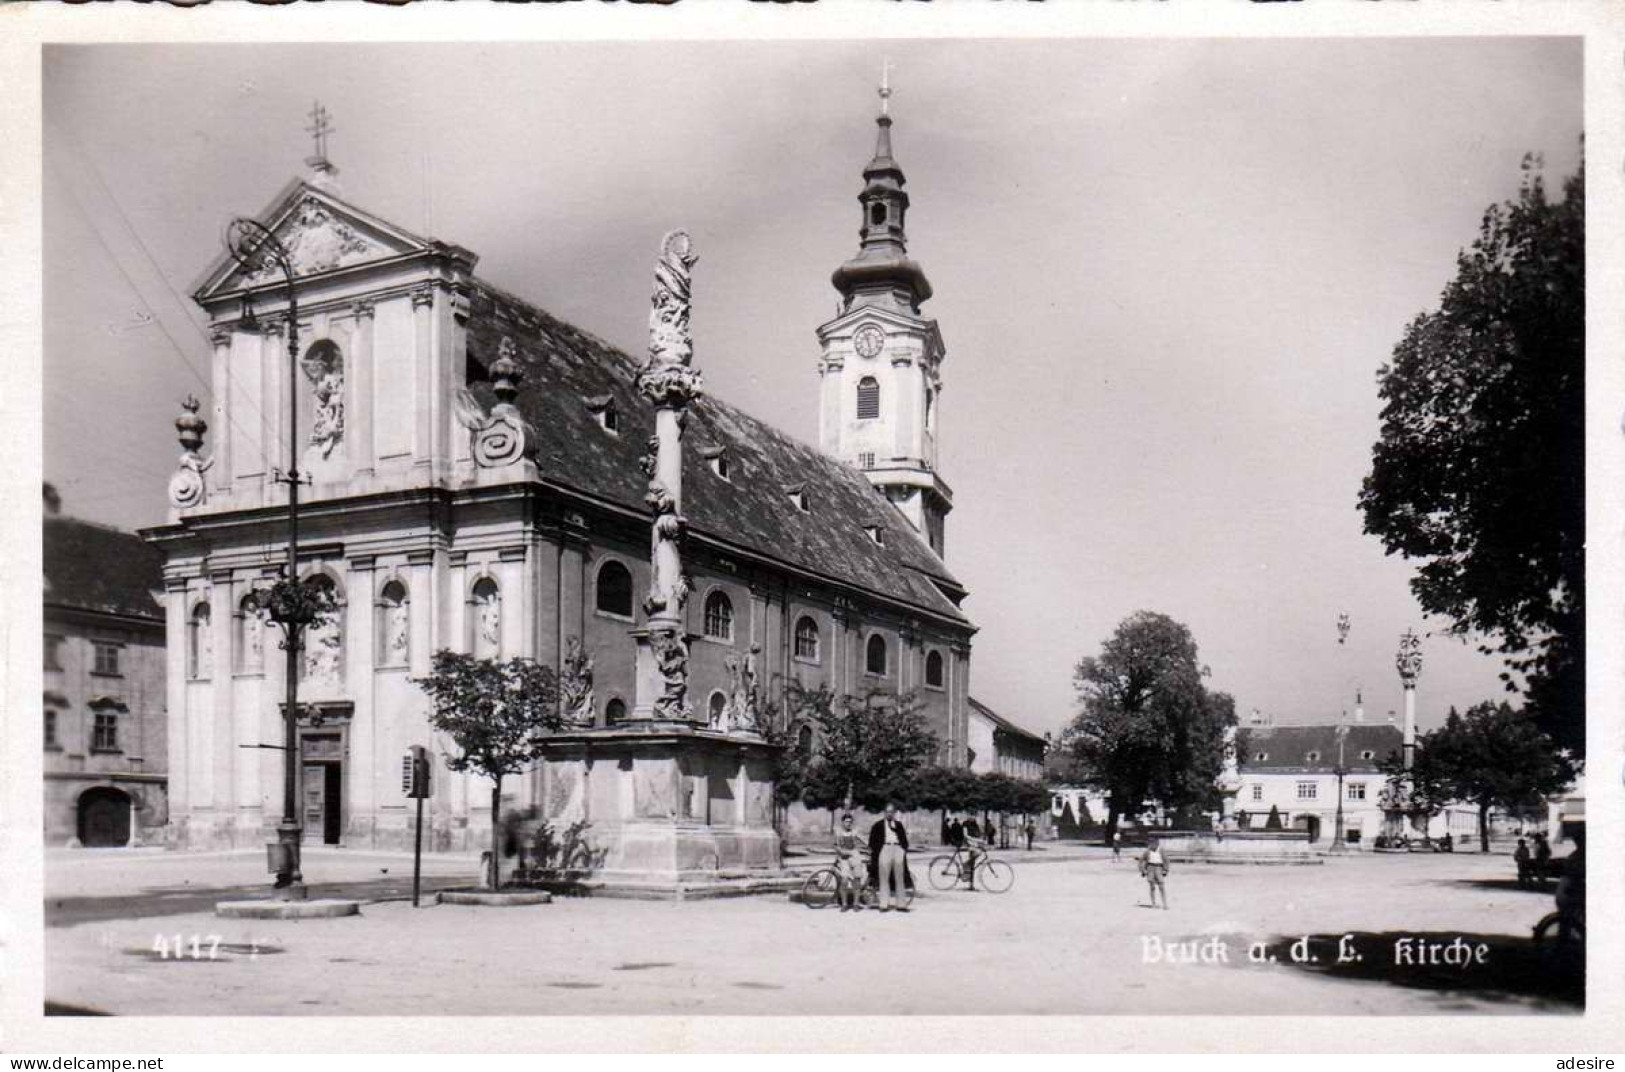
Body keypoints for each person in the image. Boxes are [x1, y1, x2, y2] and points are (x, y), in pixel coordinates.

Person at [868, 802, 911, 912]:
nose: (889, 814)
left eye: (891, 812)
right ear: (884, 813)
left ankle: (901, 904)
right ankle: (884, 904)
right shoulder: (878, 825)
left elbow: (904, 840)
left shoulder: (899, 825)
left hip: (897, 849)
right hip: (885, 849)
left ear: (894, 813)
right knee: (884, 878)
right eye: (887, 812)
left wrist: (903, 849)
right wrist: (878, 851)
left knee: (899, 878)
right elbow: (872, 841)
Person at [833, 813, 864, 912]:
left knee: (857, 879)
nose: (848, 824)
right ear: (843, 822)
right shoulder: (838, 833)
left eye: (850, 822)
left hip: (855, 856)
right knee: (844, 880)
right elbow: (836, 846)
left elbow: (863, 840)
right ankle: (844, 904)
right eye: (846, 822)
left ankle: (856, 904)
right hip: (844, 857)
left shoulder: (855, 832)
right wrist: (841, 852)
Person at [1138, 836, 1170, 909]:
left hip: (1159, 868)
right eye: (1151, 843)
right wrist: (1143, 870)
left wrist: (1165, 870)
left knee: (1161, 886)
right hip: (1150, 868)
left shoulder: (1161, 850)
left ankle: (1164, 904)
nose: (1153, 845)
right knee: (1152, 886)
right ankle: (1153, 903)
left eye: (1155, 843)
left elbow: (1166, 861)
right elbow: (1141, 861)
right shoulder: (1147, 851)